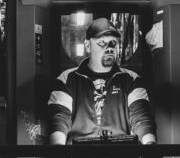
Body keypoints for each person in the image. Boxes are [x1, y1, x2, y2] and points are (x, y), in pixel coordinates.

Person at [48, 17, 157, 145]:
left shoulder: (131, 79)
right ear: (88, 46)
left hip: (120, 156)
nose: (110, 48)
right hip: (79, 155)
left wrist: (150, 145)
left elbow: (141, 117)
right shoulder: (67, 79)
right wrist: (58, 149)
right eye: (102, 42)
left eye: (113, 43)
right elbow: (60, 119)